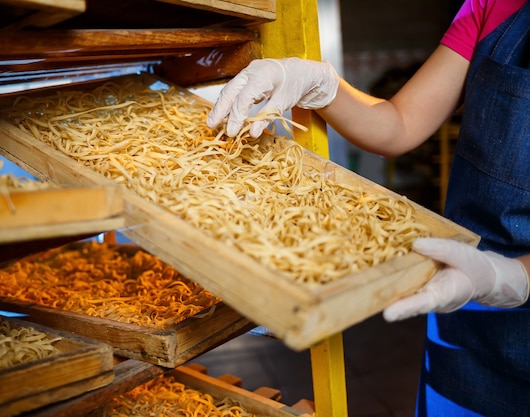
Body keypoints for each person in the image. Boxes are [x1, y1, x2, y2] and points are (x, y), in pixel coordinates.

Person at [206, 0, 530, 415]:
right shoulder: (492, 6)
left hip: (493, 283)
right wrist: (323, 85)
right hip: (465, 305)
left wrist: (513, 276)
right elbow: (400, 124)